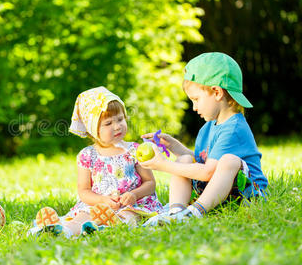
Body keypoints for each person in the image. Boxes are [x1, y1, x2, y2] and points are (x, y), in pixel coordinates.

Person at [140, 52, 268, 224]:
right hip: (218, 192)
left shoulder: (234, 129)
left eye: (196, 99)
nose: (194, 107)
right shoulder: (208, 128)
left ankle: (194, 212)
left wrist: (163, 165)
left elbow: (208, 172)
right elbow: (201, 161)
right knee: (185, 159)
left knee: (229, 160)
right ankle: (176, 213)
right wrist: (172, 145)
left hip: (247, 194)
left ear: (216, 92)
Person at [29, 86, 162, 237]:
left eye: (120, 119)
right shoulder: (87, 155)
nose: (117, 126)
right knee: (82, 216)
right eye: (108, 123)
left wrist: (134, 195)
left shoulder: (134, 150)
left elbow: (150, 183)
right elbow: (84, 191)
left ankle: (109, 227)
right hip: (99, 205)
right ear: (93, 130)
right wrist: (101, 200)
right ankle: (63, 230)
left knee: (130, 216)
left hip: (131, 204)